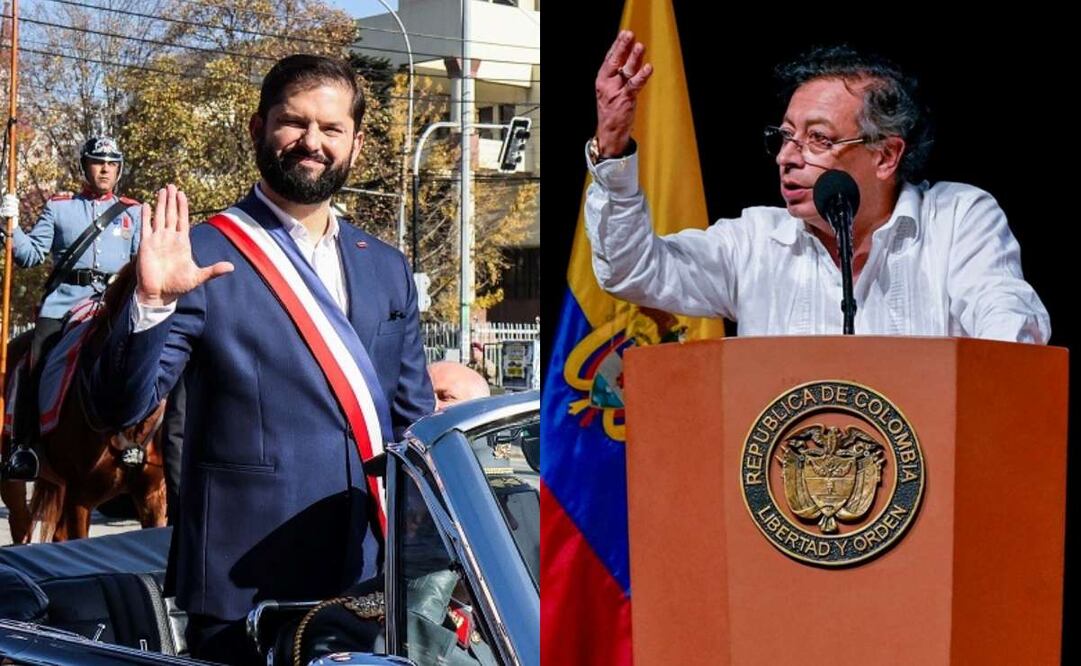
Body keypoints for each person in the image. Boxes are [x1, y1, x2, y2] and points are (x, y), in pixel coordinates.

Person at [82, 54, 433, 664]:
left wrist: (422, 555)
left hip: (367, 580)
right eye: (293, 123)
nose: (312, 143)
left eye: (331, 129)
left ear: (354, 143)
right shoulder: (199, 254)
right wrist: (149, 302)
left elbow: (411, 423)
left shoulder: (386, 266)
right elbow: (116, 408)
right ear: (257, 129)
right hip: (244, 590)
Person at [585, 35, 1050, 343]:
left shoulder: (957, 219)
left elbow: (1007, 325)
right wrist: (611, 146)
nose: (788, 156)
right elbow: (632, 269)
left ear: (885, 155)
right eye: (785, 136)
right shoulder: (753, 241)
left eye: (819, 140)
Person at [0, 137, 143, 480]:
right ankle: (26, 446)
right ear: (84, 166)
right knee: (35, 362)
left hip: (111, 306)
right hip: (64, 304)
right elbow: (30, 255)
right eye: (97, 161)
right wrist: (11, 226)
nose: (105, 168)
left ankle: (138, 439)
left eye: (112, 163)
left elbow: (140, 264)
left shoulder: (134, 212)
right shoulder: (60, 207)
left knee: (147, 356)